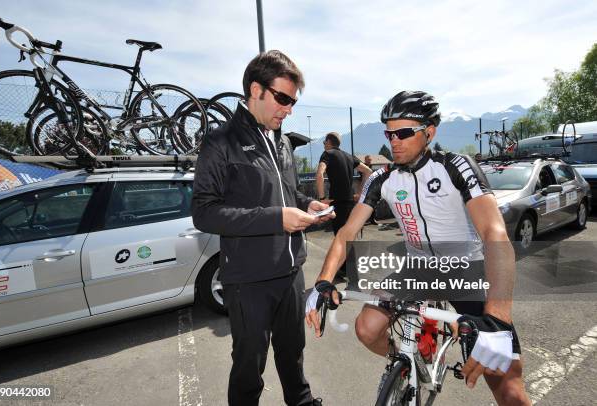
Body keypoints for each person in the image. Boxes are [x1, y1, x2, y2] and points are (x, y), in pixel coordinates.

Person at [305, 91, 531, 405]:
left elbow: (495, 234)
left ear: (429, 132)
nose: (393, 141)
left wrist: (498, 317)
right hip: (419, 268)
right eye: (388, 133)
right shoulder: (382, 178)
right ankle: (410, 363)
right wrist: (323, 281)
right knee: (367, 328)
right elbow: (346, 233)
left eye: (403, 133)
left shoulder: (455, 166)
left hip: (465, 270)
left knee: (509, 391)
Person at [192, 50, 333, 406]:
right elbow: (204, 213)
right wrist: (276, 218)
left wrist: (305, 204)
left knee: (293, 352)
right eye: (283, 99)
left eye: (293, 102)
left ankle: (300, 400)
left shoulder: (282, 140)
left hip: (291, 273)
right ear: (256, 90)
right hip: (248, 279)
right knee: (248, 366)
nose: (288, 109)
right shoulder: (220, 142)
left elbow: (285, 194)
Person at [315, 132, 372, 277]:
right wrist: (360, 193)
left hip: (338, 203)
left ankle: (348, 271)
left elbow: (320, 174)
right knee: (348, 235)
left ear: (328, 142)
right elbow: (368, 171)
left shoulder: (327, 154)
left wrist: (322, 198)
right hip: (350, 203)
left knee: (340, 238)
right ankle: (347, 269)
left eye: (324, 142)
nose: (324, 145)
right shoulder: (348, 156)